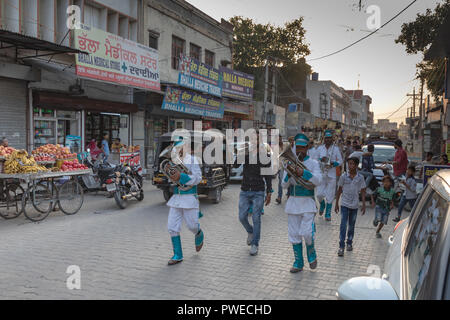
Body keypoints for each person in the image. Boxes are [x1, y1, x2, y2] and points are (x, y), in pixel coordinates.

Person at [282, 133, 322, 273]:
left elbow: (318, 180)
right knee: (294, 234)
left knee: (307, 233)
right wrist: (289, 172)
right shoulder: (290, 163)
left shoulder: (314, 163)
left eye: (302, 147)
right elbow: (283, 185)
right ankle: (298, 262)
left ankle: (311, 252)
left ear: (307, 148)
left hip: (307, 203)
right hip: (293, 203)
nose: (300, 150)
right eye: (297, 147)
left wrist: (304, 173)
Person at [165, 137, 204, 265]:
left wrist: (181, 176)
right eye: (176, 147)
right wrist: (171, 176)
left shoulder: (192, 160)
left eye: (180, 147)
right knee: (172, 227)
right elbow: (172, 178)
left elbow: (198, 178)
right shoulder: (173, 161)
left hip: (189, 197)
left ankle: (198, 233)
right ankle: (178, 255)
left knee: (192, 225)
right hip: (176, 198)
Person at [238, 130, 273, 256]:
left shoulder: (265, 156)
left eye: (256, 139)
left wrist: (269, 192)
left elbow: (268, 175)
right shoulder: (246, 154)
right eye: (252, 139)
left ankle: (255, 244)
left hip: (258, 190)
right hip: (245, 189)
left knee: (256, 218)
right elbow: (235, 164)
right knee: (242, 217)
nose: (254, 141)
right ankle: (250, 231)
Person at [335, 157, 366, 256]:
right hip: (344, 204)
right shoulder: (343, 176)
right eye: (349, 164)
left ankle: (349, 243)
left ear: (356, 166)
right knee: (343, 225)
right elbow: (339, 189)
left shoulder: (360, 178)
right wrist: (336, 203)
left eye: (352, 164)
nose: (350, 166)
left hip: (355, 205)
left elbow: (363, 191)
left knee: (351, 225)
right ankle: (341, 246)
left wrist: (364, 204)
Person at [316, 130, 343, 221]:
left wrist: (333, 163)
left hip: (331, 174)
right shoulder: (320, 148)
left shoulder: (335, 149)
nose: (327, 140)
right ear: (324, 139)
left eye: (329, 138)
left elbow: (340, 161)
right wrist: (321, 159)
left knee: (330, 195)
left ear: (332, 139)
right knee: (319, 194)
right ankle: (322, 204)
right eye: (326, 138)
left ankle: (328, 213)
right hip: (322, 174)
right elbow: (315, 160)